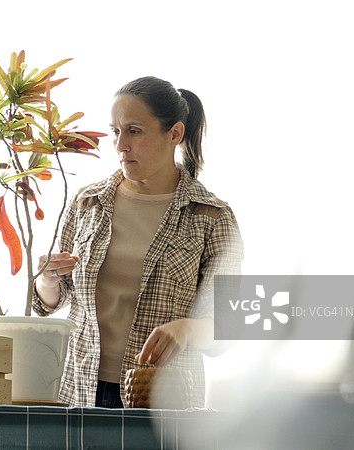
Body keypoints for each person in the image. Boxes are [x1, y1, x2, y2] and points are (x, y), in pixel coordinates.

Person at [33, 76, 244, 408]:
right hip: (77, 390)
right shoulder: (88, 203)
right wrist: (47, 278)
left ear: (174, 133)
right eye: (116, 132)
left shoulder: (212, 216)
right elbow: (52, 302)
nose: (120, 146)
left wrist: (187, 329)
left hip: (162, 399)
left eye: (134, 131)